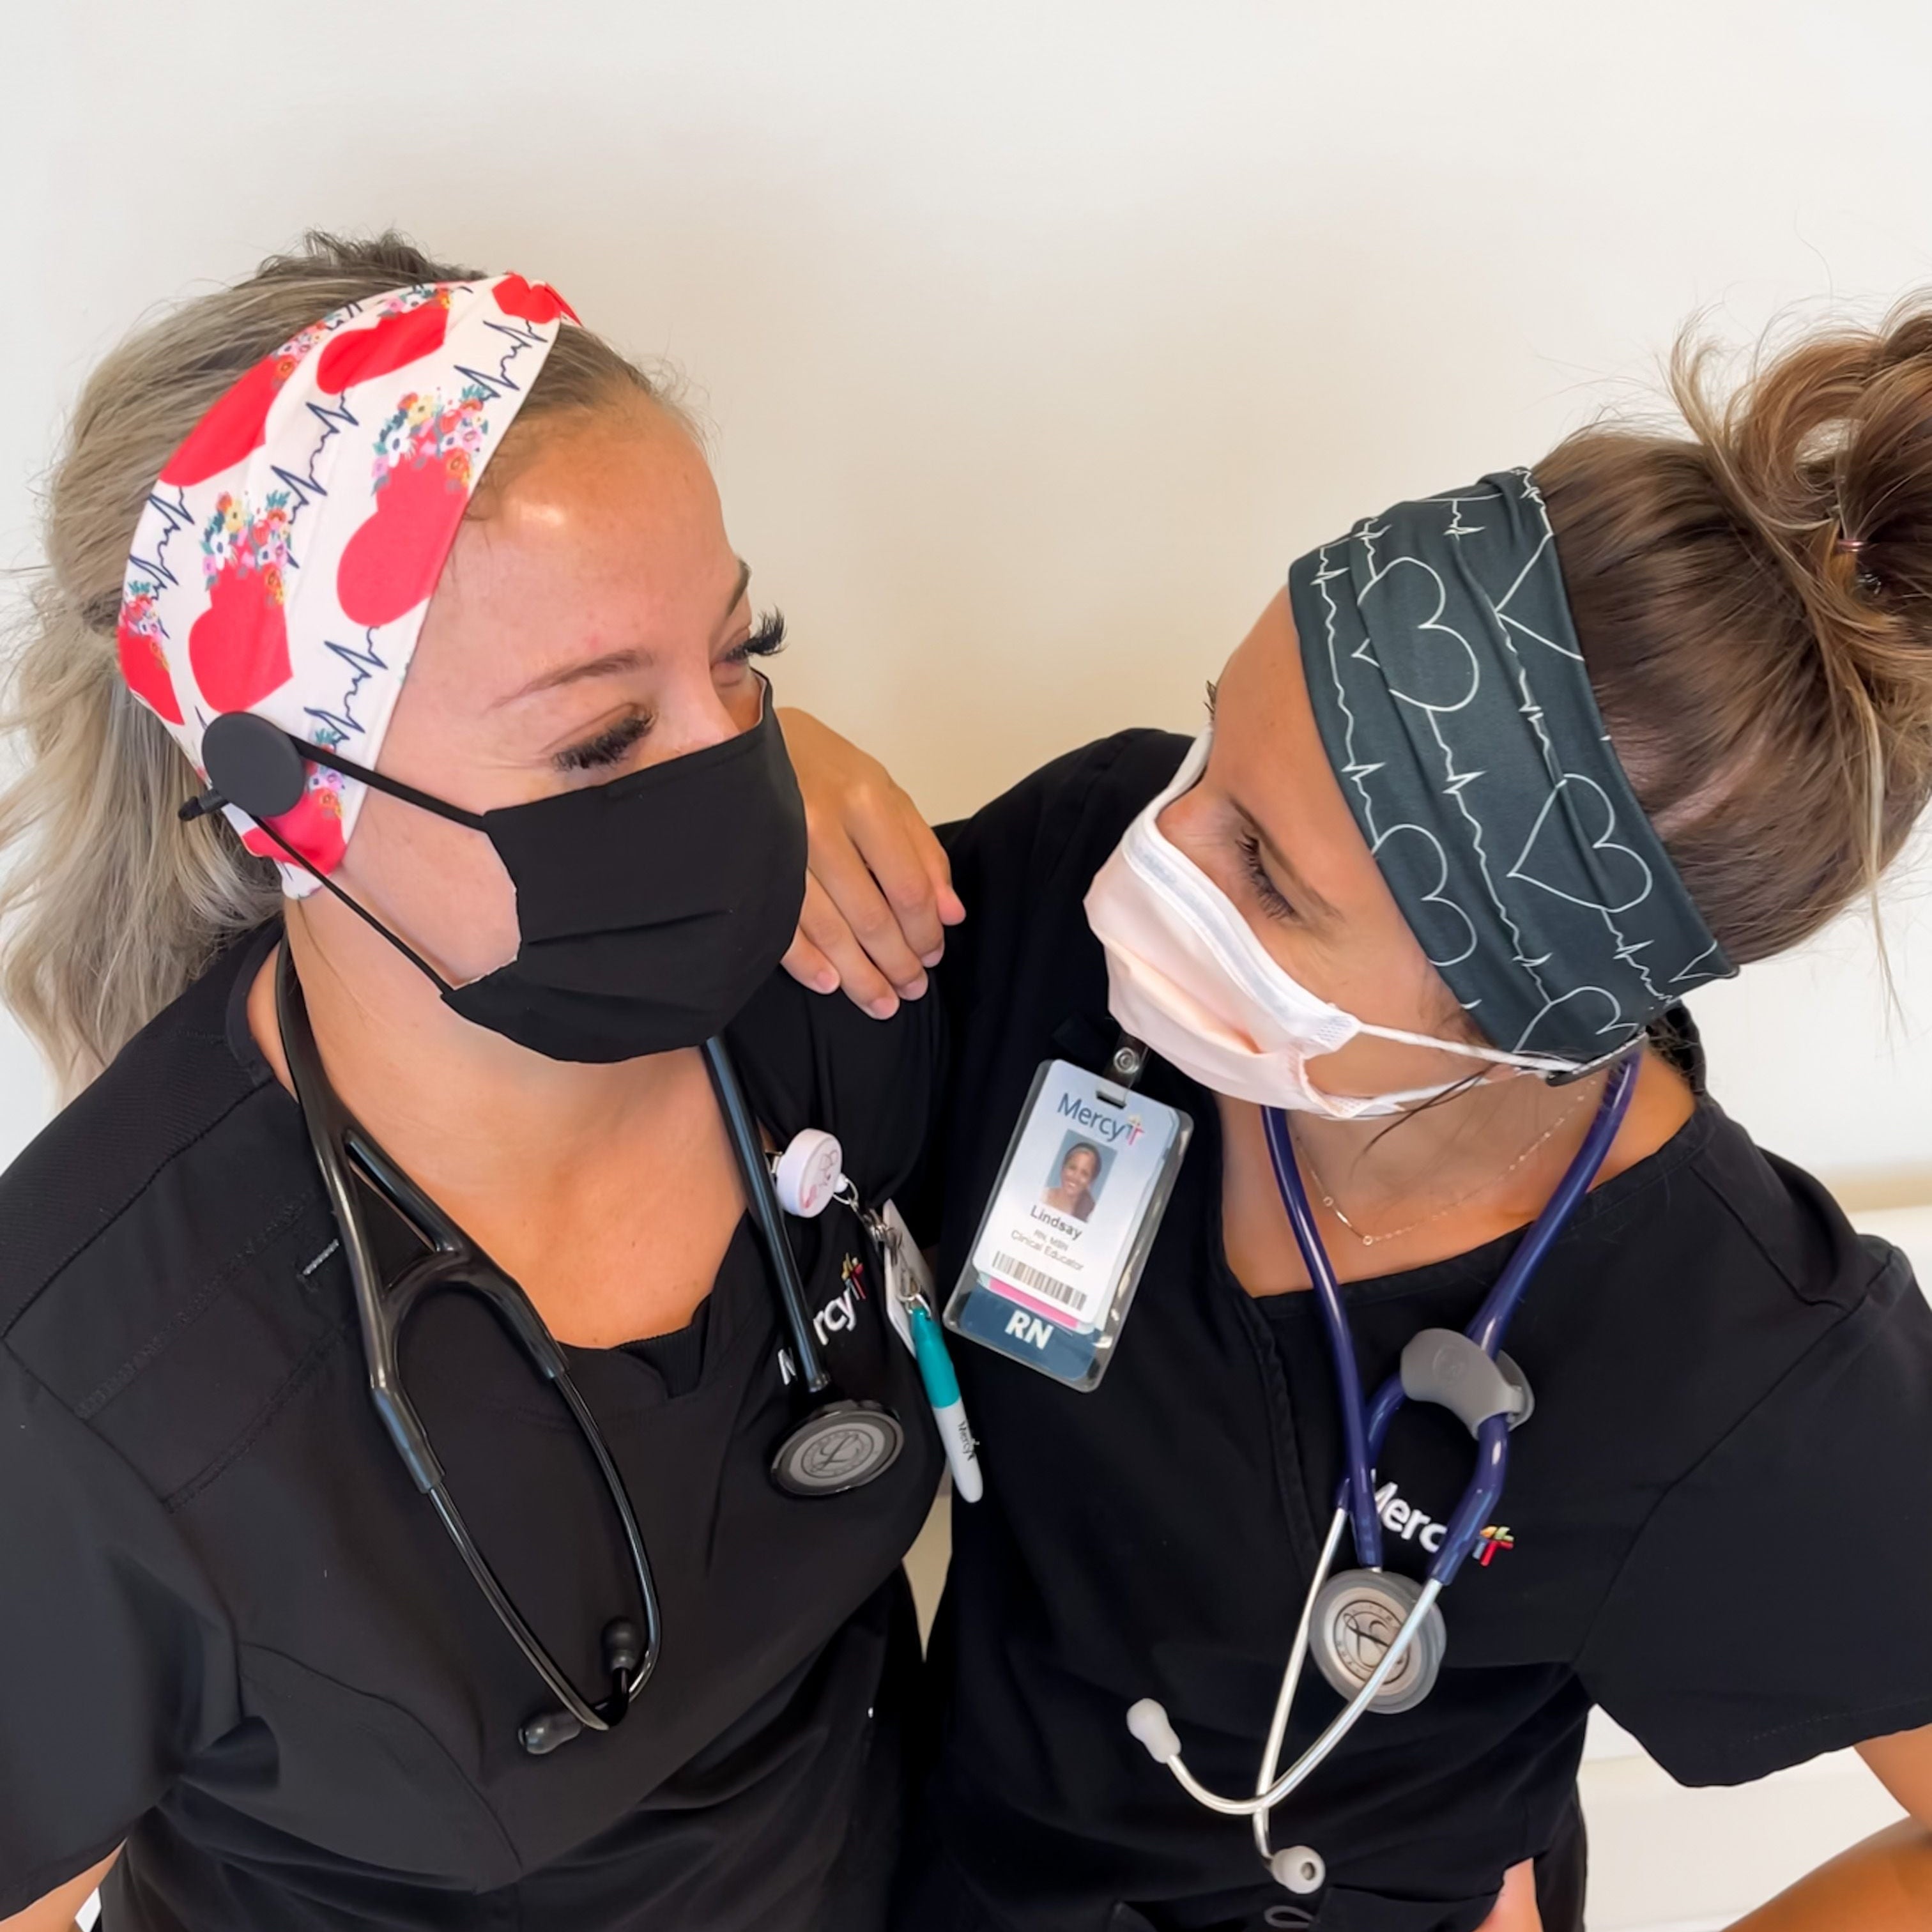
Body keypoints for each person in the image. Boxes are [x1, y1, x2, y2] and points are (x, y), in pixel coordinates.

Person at [783, 303, 1932, 1929]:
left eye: (1267, 869)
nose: (1156, 858)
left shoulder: (1740, 1363)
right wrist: (756, 776)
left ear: (1530, 1017)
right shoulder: (1070, 886)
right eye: (1207, 748)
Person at [0, 233, 949, 1932]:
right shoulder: (91, 1393)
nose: (736, 776)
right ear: (287, 797)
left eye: (745, 657)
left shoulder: (835, 995)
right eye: (602, 742)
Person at [1043, 1143, 1103, 1222]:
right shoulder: (1043, 1195)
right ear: (1063, 1168)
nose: (1075, 1177)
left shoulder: (1094, 1216)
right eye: (1072, 1168)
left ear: (1091, 1180)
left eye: (1084, 1173)